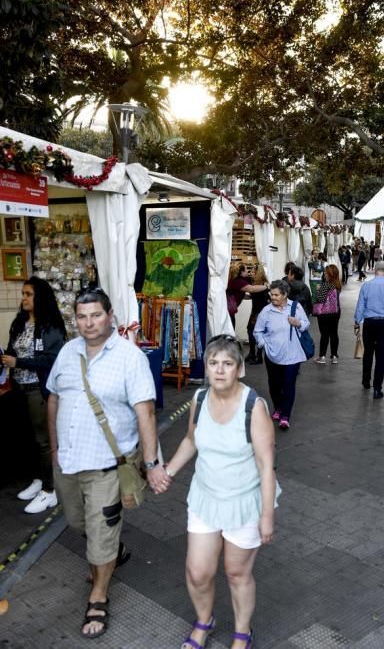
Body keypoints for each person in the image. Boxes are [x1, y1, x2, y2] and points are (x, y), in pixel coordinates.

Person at [152, 334, 279, 649]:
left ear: (238, 369)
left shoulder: (254, 406)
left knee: (236, 573)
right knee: (197, 572)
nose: (220, 370)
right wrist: (167, 471)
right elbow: (191, 440)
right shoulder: (199, 400)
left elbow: (266, 466)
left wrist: (267, 516)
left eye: (227, 364)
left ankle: (242, 633)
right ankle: (204, 621)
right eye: (213, 363)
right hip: (206, 497)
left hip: (244, 503)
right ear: (206, 368)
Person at [47, 287, 159, 639]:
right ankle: (112, 549)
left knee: (100, 533)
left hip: (107, 466)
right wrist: (53, 449)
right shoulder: (67, 352)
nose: (88, 323)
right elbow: (52, 400)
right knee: (78, 522)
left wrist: (153, 463)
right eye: (82, 316)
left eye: (95, 315)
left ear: (109, 315)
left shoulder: (130, 357)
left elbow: (146, 413)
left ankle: (98, 594)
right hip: (68, 462)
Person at [1, 277, 66, 513]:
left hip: (39, 389)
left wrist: (19, 361)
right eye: (23, 294)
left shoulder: (51, 326)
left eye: (28, 294)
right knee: (27, 438)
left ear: (40, 297)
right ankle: (38, 480)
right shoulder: (19, 322)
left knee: (44, 441)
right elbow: (12, 349)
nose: (24, 298)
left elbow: (51, 359)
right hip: (18, 387)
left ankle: (51, 490)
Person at [254, 280, 310, 430]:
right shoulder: (266, 311)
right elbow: (257, 331)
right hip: (272, 355)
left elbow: (306, 323)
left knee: (288, 384)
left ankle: (285, 415)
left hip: (293, 355)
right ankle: (278, 407)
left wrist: (298, 323)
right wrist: (263, 345)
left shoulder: (296, 307)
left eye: (276, 294)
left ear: (285, 294)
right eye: (271, 294)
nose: (273, 297)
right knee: (274, 384)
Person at [354, 260, 384, 399]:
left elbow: (360, 306)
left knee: (368, 352)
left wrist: (357, 322)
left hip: (369, 322)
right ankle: (377, 388)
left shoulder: (366, 286)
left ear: (375, 270)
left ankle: (366, 381)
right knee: (381, 356)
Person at [314, 264, 341, 365]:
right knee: (334, 333)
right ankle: (334, 356)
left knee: (324, 334)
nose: (324, 274)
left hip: (325, 313)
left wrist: (318, 290)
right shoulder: (338, 284)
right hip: (336, 312)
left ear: (329, 274)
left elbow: (320, 299)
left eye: (325, 272)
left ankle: (322, 356)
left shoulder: (325, 285)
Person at [227, 264, 269, 328]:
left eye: (252, 271)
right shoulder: (240, 280)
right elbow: (251, 289)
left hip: (260, 311)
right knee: (250, 329)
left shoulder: (243, 279)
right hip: (253, 311)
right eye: (247, 269)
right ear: (242, 272)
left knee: (252, 330)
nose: (249, 272)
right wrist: (267, 286)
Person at [245, 265, 270, 365]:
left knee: (254, 332)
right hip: (256, 311)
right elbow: (253, 294)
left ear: (258, 272)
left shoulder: (264, 285)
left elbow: (259, 296)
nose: (252, 273)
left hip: (259, 312)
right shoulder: (259, 284)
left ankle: (257, 356)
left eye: (254, 271)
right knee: (252, 332)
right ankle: (254, 354)